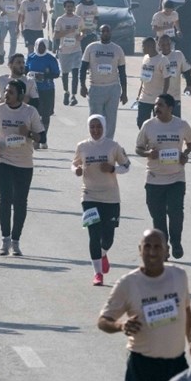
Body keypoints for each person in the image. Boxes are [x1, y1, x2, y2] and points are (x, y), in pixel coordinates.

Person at [98, 229, 191, 381]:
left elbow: (187, 311)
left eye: (157, 247)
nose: (152, 252)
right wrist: (121, 326)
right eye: (147, 246)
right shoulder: (128, 283)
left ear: (166, 250)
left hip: (176, 364)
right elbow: (103, 321)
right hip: (142, 365)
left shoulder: (179, 276)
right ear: (140, 249)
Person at [72, 113, 132, 285]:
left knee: (108, 237)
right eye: (92, 127)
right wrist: (75, 170)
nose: (95, 130)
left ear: (104, 128)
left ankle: (103, 253)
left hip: (111, 197)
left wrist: (113, 168)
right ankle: (97, 273)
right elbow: (74, 163)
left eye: (99, 127)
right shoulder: (82, 146)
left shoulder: (113, 146)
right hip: (89, 195)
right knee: (93, 234)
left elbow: (126, 166)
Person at [137, 94, 191, 259]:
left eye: (161, 105)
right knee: (158, 216)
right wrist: (148, 153)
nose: (157, 108)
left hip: (176, 177)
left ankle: (176, 242)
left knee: (176, 213)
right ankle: (164, 246)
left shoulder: (181, 125)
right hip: (154, 178)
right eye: (156, 105)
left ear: (170, 108)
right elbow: (138, 148)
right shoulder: (148, 125)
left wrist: (185, 153)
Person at [0, 79, 43, 256]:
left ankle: (16, 240)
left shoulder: (30, 112)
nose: (6, 95)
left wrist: (26, 133)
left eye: (10, 92)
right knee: (5, 198)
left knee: (20, 202)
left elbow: (42, 137)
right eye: (5, 92)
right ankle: (5, 240)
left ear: (20, 95)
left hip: (24, 162)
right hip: (3, 159)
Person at [79, 25, 129, 139]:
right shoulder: (91, 48)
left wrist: (124, 92)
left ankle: (108, 142)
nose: (105, 33)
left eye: (107, 31)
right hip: (96, 88)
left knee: (111, 118)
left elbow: (122, 72)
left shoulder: (117, 49)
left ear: (111, 33)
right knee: (95, 118)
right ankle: (95, 141)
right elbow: (83, 68)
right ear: (99, 33)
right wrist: (82, 85)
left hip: (112, 88)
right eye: (103, 31)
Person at [25, 38, 60, 147]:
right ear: (35, 45)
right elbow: (26, 70)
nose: (41, 48)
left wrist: (44, 76)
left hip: (47, 90)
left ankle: (43, 138)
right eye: (39, 46)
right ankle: (35, 139)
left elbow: (56, 73)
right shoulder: (31, 57)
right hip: (33, 91)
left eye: (43, 46)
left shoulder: (50, 58)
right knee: (34, 115)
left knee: (45, 115)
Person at [136, 37, 172, 128]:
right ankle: (145, 141)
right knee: (141, 123)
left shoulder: (163, 60)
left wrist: (163, 97)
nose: (142, 49)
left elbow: (167, 79)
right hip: (144, 98)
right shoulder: (145, 58)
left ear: (151, 46)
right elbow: (143, 78)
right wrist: (139, 93)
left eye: (143, 47)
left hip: (157, 99)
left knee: (158, 124)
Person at [54, 0, 84, 105]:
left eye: (71, 7)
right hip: (64, 51)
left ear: (74, 7)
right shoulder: (60, 20)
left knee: (76, 72)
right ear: (64, 8)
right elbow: (56, 35)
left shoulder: (79, 19)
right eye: (68, 7)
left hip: (76, 50)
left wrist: (80, 36)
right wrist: (67, 32)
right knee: (65, 73)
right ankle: (66, 92)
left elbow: (83, 31)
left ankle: (73, 96)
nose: (70, 9)